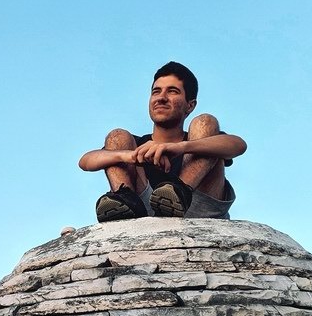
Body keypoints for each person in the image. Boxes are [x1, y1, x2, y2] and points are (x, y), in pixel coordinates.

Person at [78, 61, 246, 221]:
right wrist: (130, 156)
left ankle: (180, 191)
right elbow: (85, 161)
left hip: (197, 209)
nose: (161, 97)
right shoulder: (137, 144)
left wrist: (181, 147)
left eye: (172, 91)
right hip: (146, 211)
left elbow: (238, 145)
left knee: (206, 122)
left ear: (190, 105)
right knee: (117, 136)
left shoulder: (201, 138)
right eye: (156, 91)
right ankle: (125, 200)